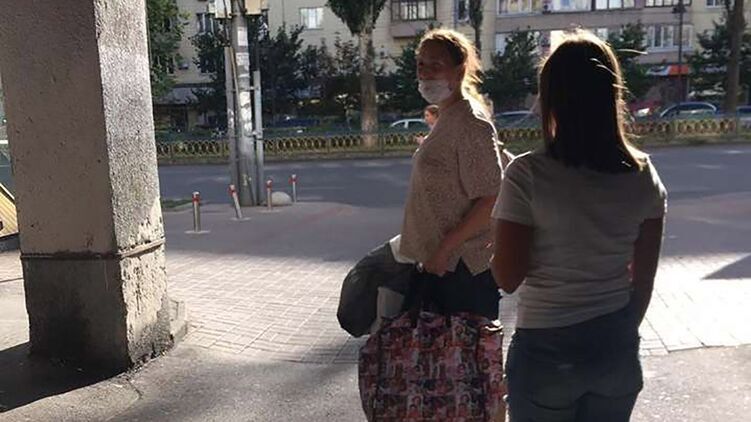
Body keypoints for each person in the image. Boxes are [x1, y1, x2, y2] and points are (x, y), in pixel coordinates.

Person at [490, 30, 667, 421]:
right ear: (611, 96)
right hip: (615, 349)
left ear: (551, 97)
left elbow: (507, 277)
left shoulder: (527, 174)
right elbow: (643, 282)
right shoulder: (643, 175)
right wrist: (616, 335)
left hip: (545, 351)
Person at [399, 28, 503, 320]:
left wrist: (444, 250)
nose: (425, 73)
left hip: (460, 271)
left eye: (436, 65)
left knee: (457, 349)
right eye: (421, 64)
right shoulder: (447, 117)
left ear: (459, 71)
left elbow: (491, 198)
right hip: (441, 266)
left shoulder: (470, 123)